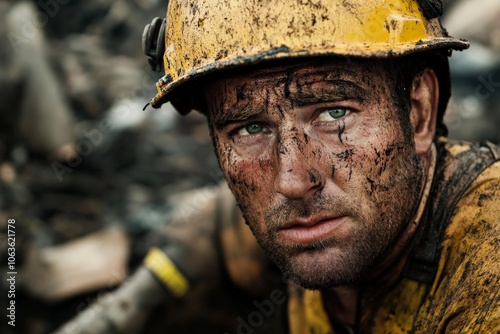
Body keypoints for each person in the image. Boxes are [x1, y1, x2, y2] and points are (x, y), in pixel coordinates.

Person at [140, 0, 500, 333]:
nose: (293, 181)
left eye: (334, 113)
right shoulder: (291, 220)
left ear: (419, 111)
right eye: (251, 128)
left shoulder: (489, 261)